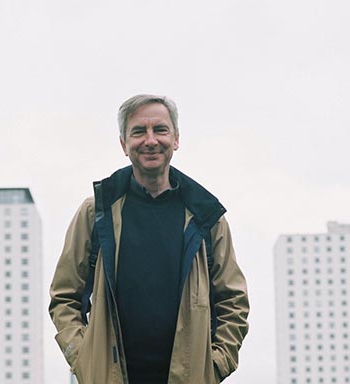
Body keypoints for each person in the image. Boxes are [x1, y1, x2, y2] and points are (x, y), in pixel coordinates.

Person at [49, 94, 249, 384]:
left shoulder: (207, 218)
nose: (151, 140)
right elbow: (64, 297)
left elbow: (233, 301)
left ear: (176, 139)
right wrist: (84, 358)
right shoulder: (96, 212)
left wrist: (215, 365)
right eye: (139, 131)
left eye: (161, 130)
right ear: (123, 144)